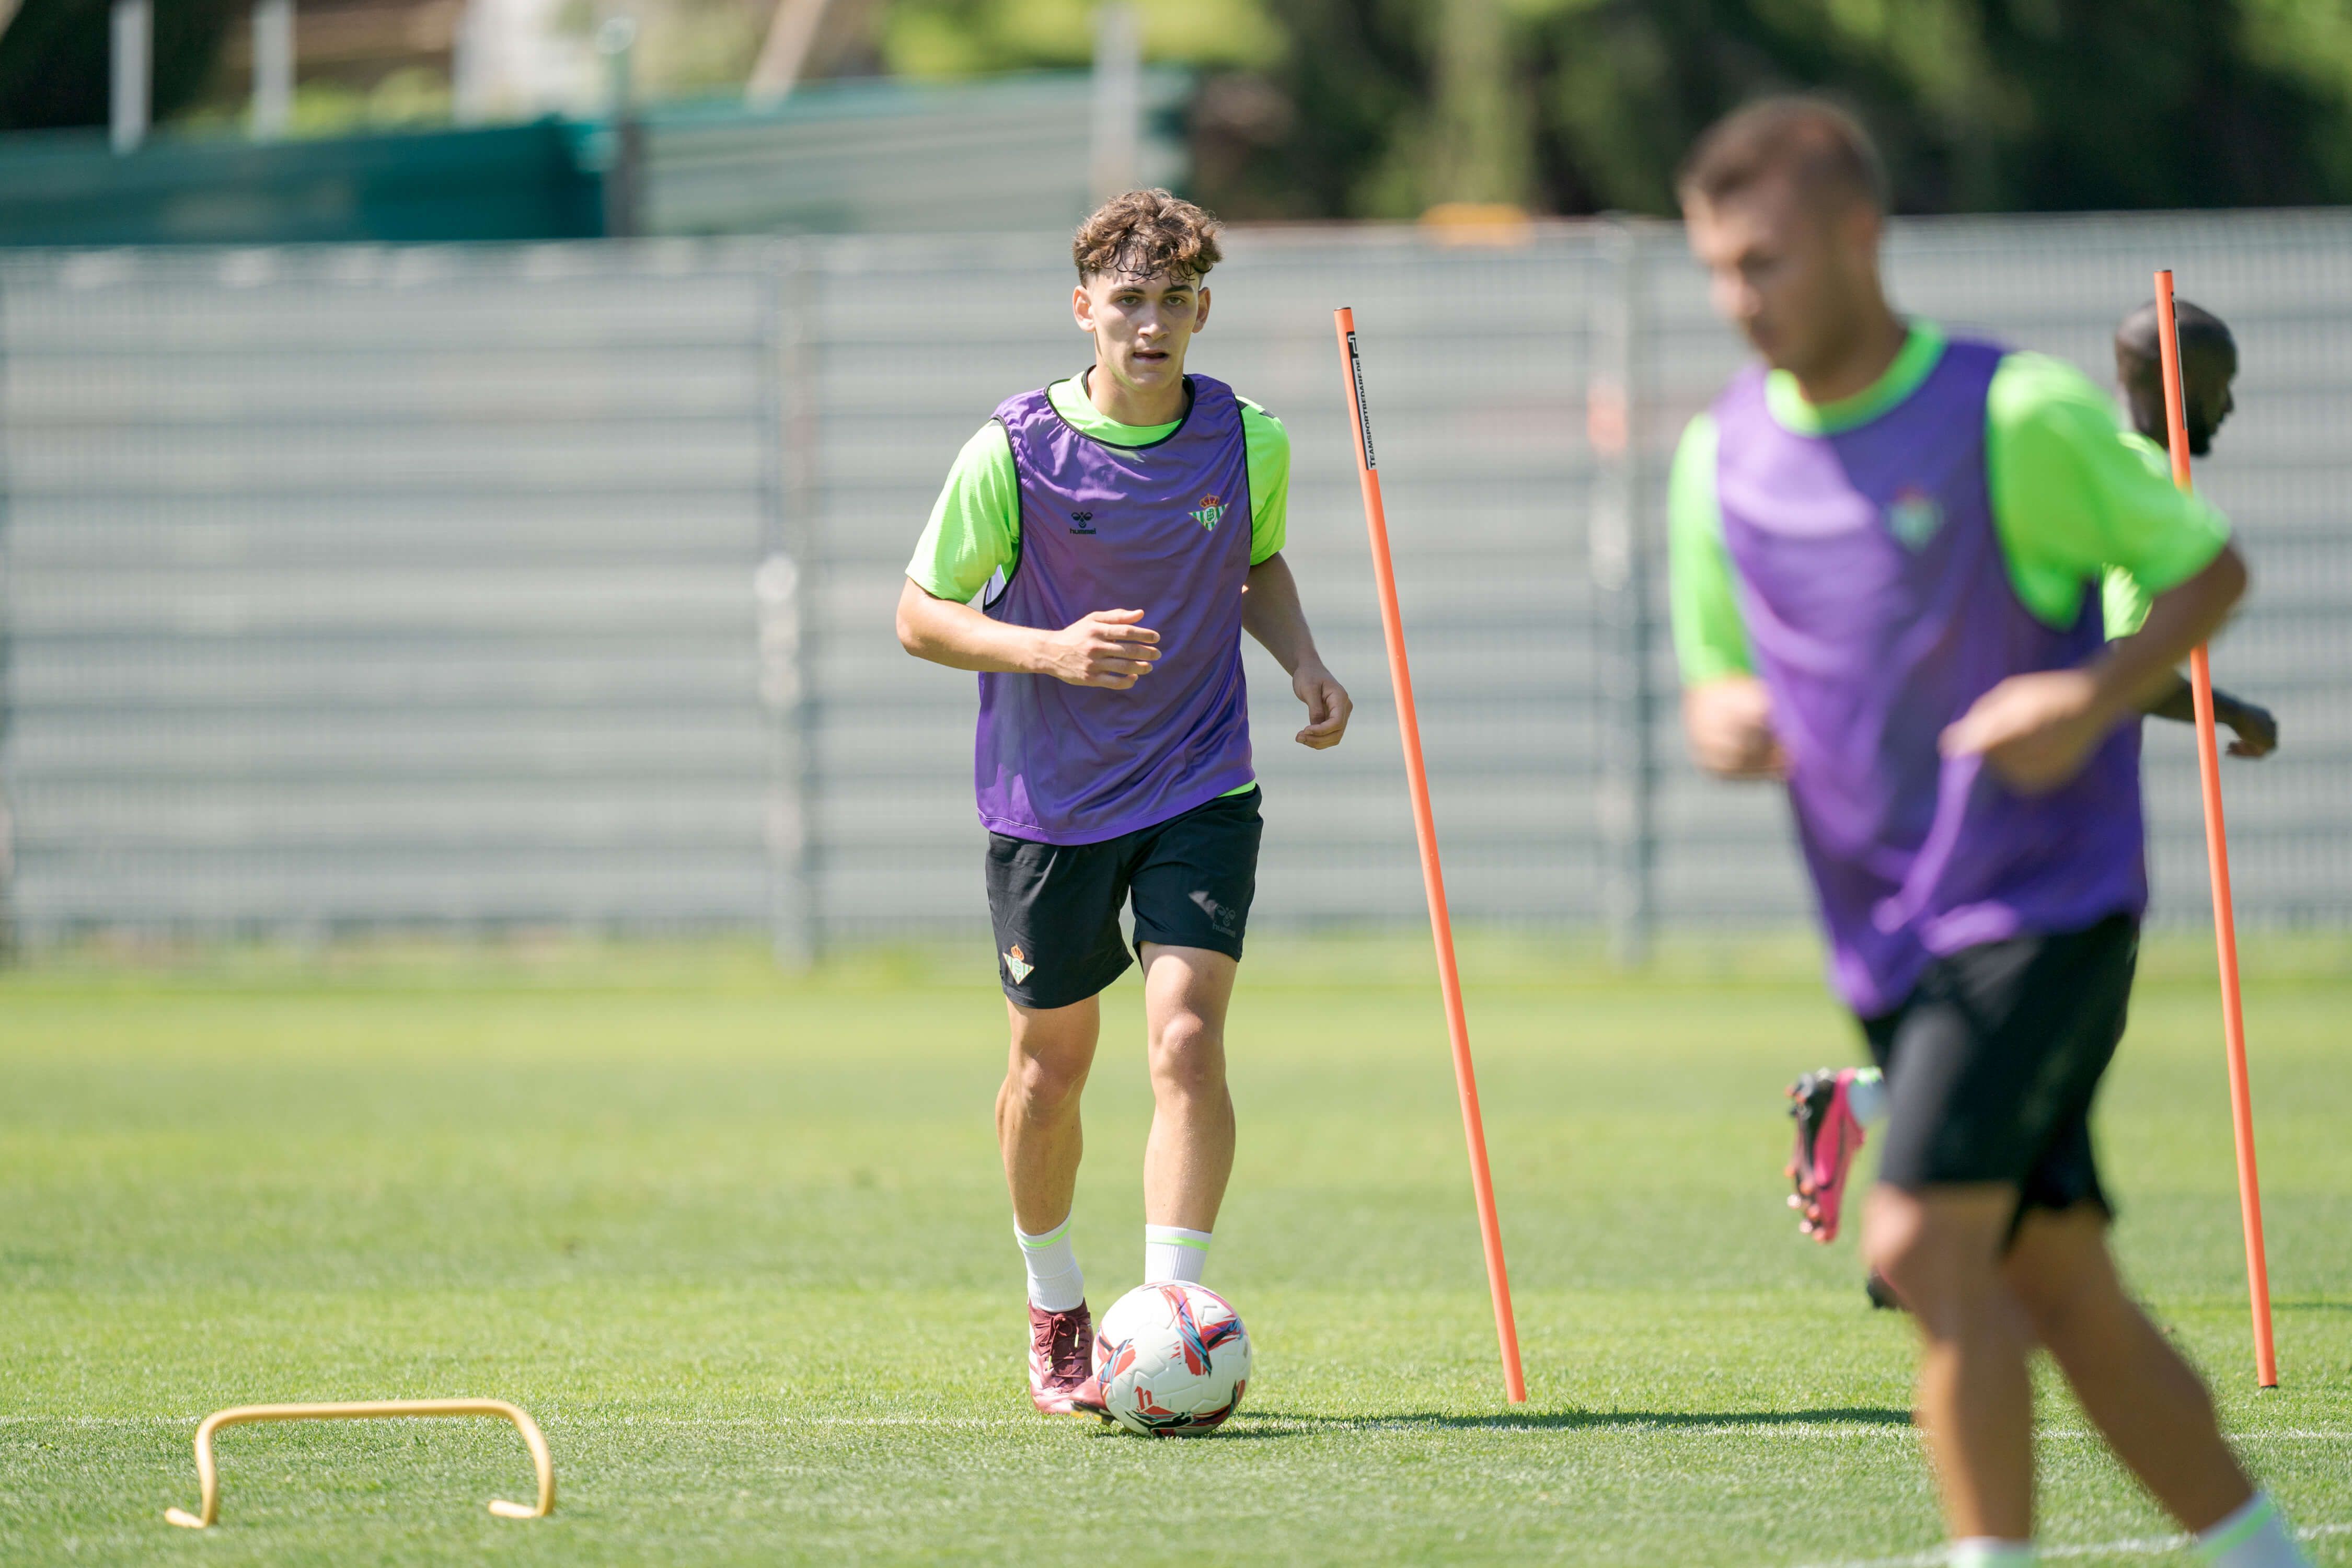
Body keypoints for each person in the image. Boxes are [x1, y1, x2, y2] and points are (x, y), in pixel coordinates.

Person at [1669, 98, 2309, 1568]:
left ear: (1855, 236)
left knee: (1915, 1246)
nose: (1736, 299)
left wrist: (2085, 698)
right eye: (1715, 268)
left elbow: (2202, 572)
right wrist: (1722, 722)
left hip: (2042, 906)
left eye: (1761, 261)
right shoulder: (1720, 459)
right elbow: (1718, 673)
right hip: (1886, 933)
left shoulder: (2009, 414)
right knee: (2064, 1288)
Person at [894, 189, 1352, 1417]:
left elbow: (1251, 560)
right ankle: (1056, 1306)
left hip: (1201, 778)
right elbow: (919, 617)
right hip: (1048, 803)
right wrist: (1048, 650)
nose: (1150, 327)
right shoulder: (1014, 450)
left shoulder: (1249, 440)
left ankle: (1164, 1321)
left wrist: (1301, 658)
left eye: (1173, 304)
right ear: (1085, 308)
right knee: (1051, 1070)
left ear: (1203, 311)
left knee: (1187, 1038)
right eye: (1128, 302)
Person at [1785, 297, 2278, 1255]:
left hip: (2038, 819)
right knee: (2056, 1036)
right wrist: (2231, 709)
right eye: (2223, 381)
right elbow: (2130, 654)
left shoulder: (2093, 464)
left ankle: (1924, 1171)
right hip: (2065, 825)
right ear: (2175, 381)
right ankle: (1932, 1222)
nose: (2231, 405)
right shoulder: (2135, 477)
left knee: (2037, 1043)